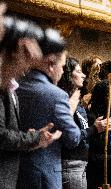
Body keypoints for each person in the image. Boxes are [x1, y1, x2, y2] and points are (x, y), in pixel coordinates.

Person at [0, 14, 61, 189]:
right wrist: (34, 137)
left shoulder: (10, 85)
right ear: (15, 51)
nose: (27, 67)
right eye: (26, 58)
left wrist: (35, 139)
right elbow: (2, 135)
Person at [16, 28, 81, 189]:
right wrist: (70, 111)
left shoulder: (14, 87)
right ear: (52, 64)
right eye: (62, 66)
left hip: (15, 175)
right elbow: (73, 138)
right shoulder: (57, 95)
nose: (61, 71)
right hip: (44, 177)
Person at [57, 57, 89, 189]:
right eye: (79, 71)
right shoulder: (65, 100)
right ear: (69, 75)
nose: (84, 75)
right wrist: (94, 129)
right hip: (69, 163)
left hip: (81, 163)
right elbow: (69, 135)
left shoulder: (78, 102)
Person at [87, 80, 111, 189]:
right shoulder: (92, 118)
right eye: (109, 94)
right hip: (97, 174)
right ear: (101, 96)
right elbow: (90, 154)